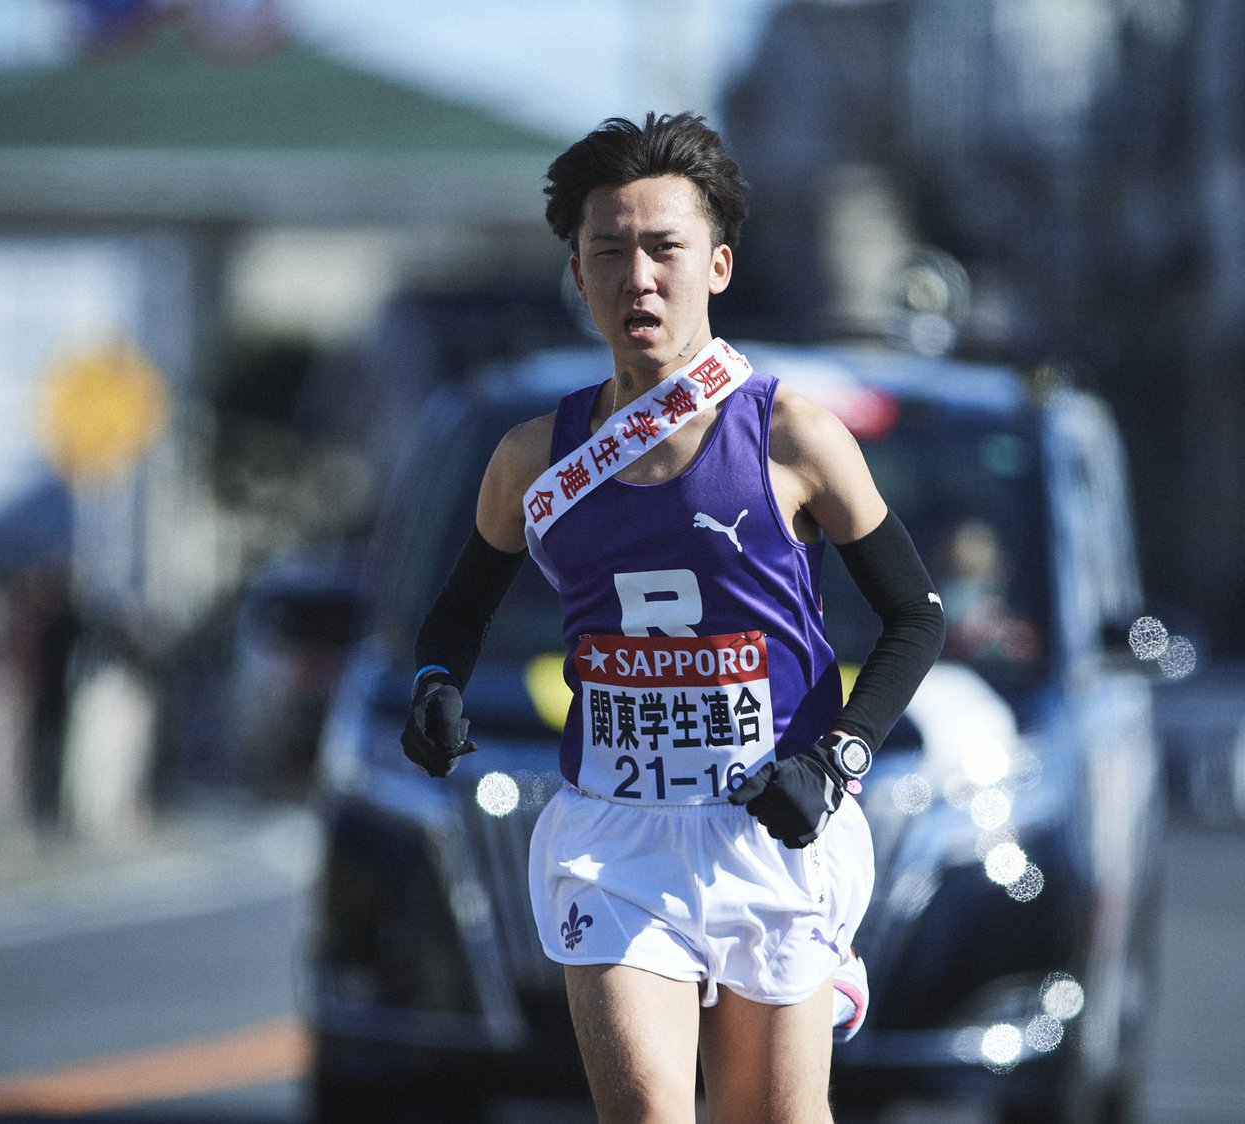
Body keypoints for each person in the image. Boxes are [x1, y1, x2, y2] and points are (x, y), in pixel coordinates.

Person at [401, 112, 945, 1124]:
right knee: (648, 1109)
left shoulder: (792, 433)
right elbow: (455, 617)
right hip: (614, 835)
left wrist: (837, 761)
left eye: (664, 249)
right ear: (577, 274)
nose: (637, 278)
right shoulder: (533, 459)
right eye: (609, 251)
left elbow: (914, 617)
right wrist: (437, 686)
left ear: (719, 265)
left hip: (771, 829)